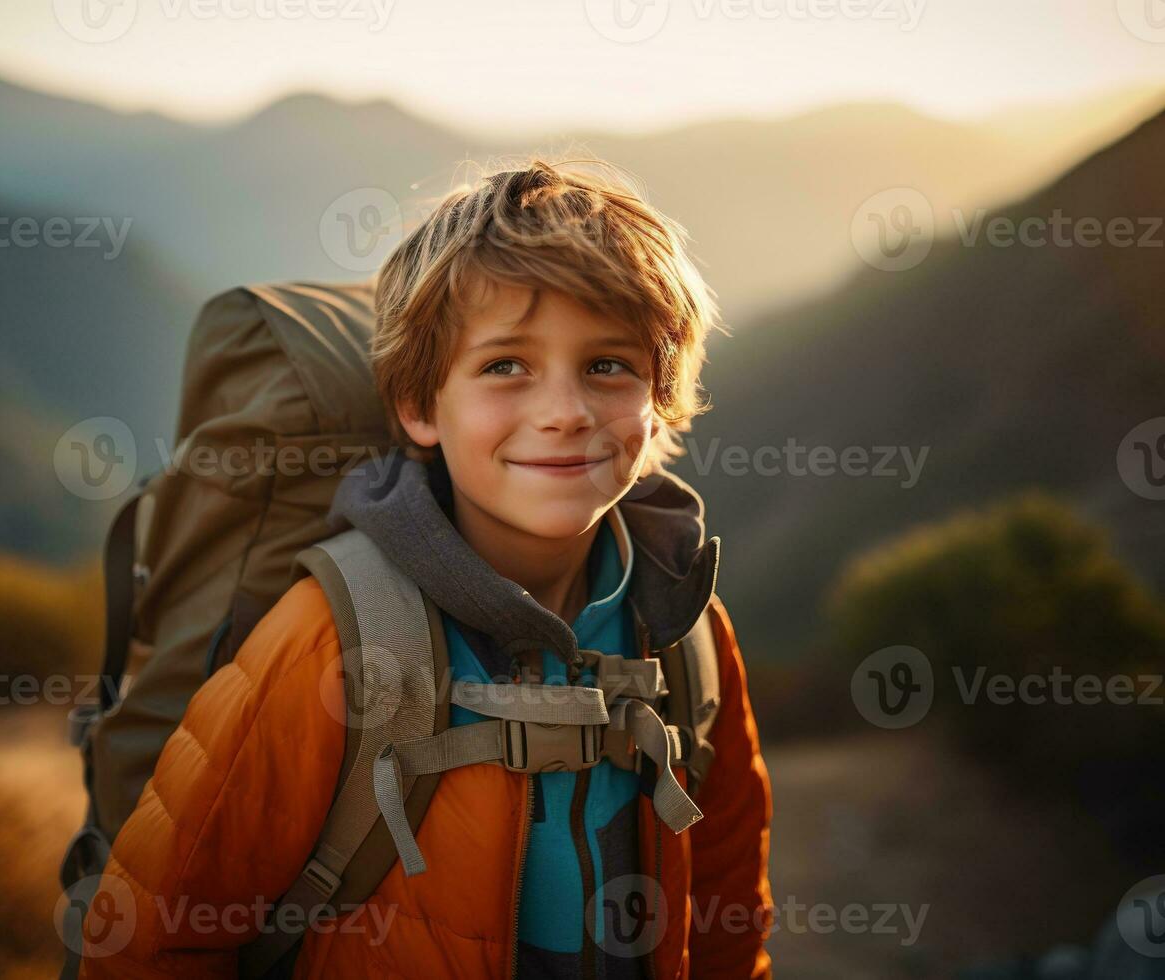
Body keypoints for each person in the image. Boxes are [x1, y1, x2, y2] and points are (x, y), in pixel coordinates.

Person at [80, 158, 774, 978]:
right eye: (504, 365)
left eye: (608, 365)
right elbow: (161, 941)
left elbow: (726, 920)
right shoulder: (329, 641)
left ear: (660, 397)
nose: (565, 412)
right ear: (418, 405)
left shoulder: (684, 628)